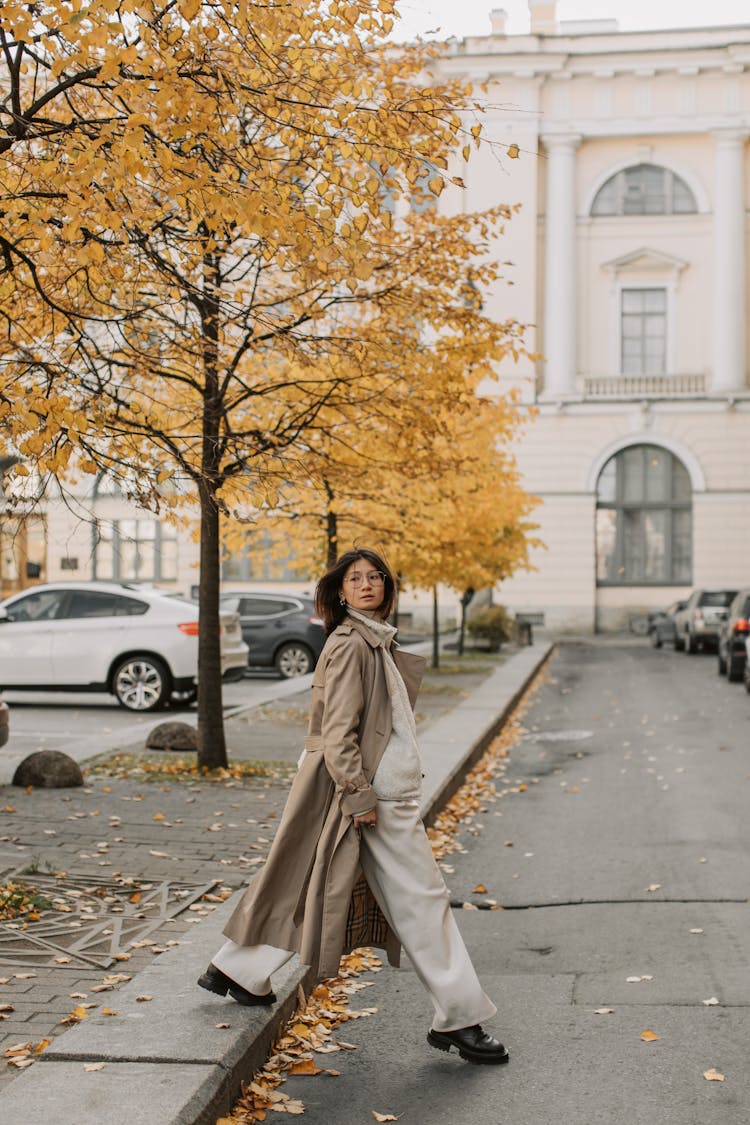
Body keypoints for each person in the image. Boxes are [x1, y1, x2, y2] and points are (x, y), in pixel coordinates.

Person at [198, 547, 508, 1065]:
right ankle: (460, 1017)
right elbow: (339, 732)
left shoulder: (372, 641)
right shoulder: (351, 645)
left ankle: (238, 968)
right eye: (355, 578)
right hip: (374, 797)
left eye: (375, 577)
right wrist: (360, 797)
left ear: (387, 587)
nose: (366, 584)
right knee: (423, 902)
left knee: (309, 880)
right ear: (339, 591)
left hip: (367, 791)